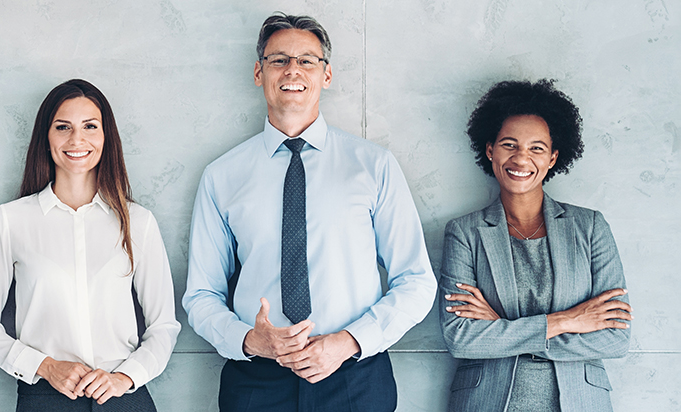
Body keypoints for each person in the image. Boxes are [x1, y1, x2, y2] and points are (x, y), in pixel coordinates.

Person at [180, 13, 437, 412]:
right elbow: (201, 294)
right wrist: (250, 340)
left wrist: (348, 342)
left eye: (306, 60)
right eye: (278, 59)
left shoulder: (374, 166)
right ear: (258, 71)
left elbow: (416, 281)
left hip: (355, 376)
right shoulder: (222, 176)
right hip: (256, 379)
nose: (292, 70)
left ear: (326, 75)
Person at [0, 79, 182, 411]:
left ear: (106, 137)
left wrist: (125, 377)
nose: (77, 139)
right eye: (63, 127)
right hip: (45, 397)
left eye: (90, 126)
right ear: (46, 138)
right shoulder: (12, 220)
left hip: (124, 396)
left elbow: (164, 326)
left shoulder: (138, 222)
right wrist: (46, 367)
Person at [437, 79, 631, 412]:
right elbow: (461, 337)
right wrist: (568, 320)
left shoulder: (590, 227)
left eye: (536, 148)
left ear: (554, 156)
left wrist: (501, 329)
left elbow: (615, 338)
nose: (521, 158)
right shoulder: (465, 233)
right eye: (509, 144)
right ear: (490, 150)